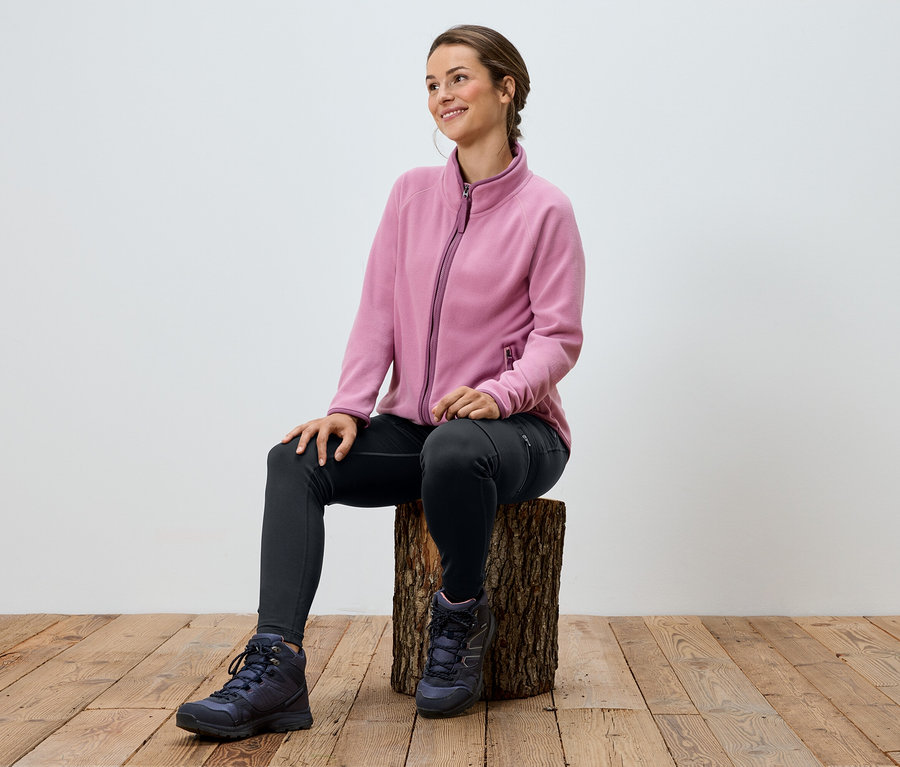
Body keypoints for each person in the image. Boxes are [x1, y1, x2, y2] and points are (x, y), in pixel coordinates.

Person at [175, 23, 585, 738]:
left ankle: (460, 614)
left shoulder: (544, 208)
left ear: (505, 87)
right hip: (421, 429)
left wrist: (501, 393)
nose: (442, 95)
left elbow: (559, 336)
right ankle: (276, 666)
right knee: (295, 460)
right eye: (432, 84)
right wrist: (349, 408)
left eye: (458, 77)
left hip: (519, 434)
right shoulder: (409, 195)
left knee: (455, 449)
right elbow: (377, 312)